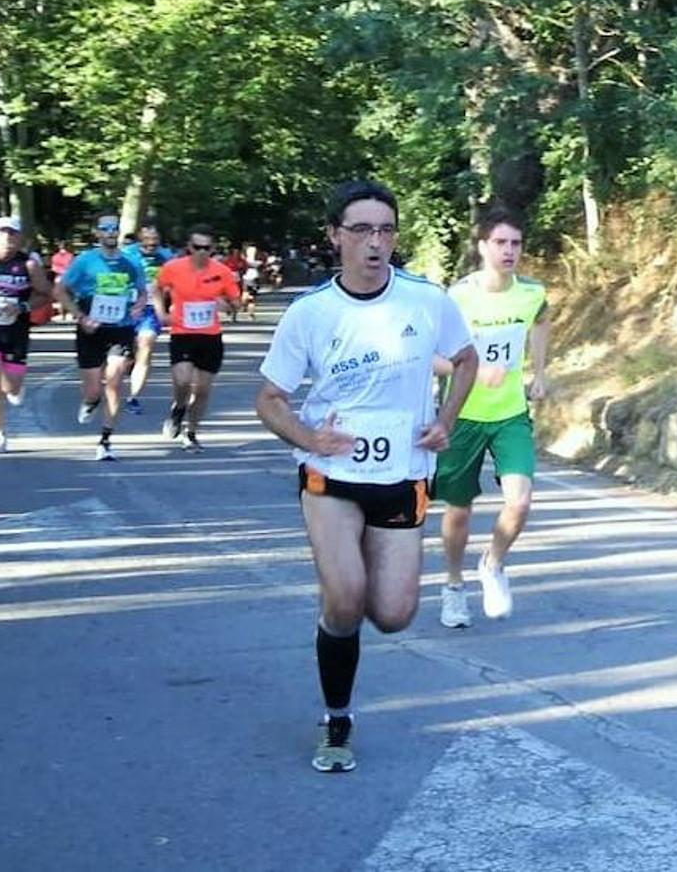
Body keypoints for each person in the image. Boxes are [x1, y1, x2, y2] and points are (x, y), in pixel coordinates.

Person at [255, 181, 478, 773]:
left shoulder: (426, 300)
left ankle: (339, 614)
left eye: (385, 230)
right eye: (361, 231)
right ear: (335, 237)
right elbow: (270, 399)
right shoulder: (310, 313)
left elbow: (466, 358)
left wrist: (445, 421)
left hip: (402, 475)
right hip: (330, 474)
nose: (375, 243)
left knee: (394, 614)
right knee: (348, 599)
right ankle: (337, 717)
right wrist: (309, 439)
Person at [433, 206, 549, 627]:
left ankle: (493, 564)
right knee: (458, 511)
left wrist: (539, 372)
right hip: (462, 414)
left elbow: (540, 321)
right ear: (483, 247)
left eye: (516, 243)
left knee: (519, 502)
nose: (509, 251)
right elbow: (431, 358)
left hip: (510, 415)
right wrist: (474, 370)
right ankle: (452, 587)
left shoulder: (531, 293)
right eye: (500, 243)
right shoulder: (457, 297)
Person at [54, 214, 147, 461]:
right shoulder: (85, 261)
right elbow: (60, 290)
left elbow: (142, 292)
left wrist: (138, 306)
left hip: (121, 327)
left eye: (114, 228)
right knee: (94, 389)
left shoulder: (130, 262)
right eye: (105, 229)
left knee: (114, 381)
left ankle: (106, 439)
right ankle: (90, 401)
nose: (110, 233)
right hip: (91, 328)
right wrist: (80, 316)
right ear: (97, 233)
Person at [153, 224, 241, 451]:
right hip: (182, 333)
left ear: (212, 248)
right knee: (182, 381)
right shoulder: (173, 268)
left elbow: (236, 303)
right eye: (196, 247)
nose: (201, 252)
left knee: (202, 391)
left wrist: (227, 305)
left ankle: (191, 432)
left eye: (206, 248)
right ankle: (178, 409)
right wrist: (161, 313)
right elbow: (157, 289)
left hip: (210, 336)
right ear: (188, 247)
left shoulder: (222, 272)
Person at [0, 217, 51, 454]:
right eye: (2, 233)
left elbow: (45, 294)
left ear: (19, 238)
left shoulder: (29, 265)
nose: (7, 238)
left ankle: (15, 389)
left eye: (12, 233)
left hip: (16, 330)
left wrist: (22, 307)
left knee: (11, 387)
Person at [121, 223, 175, 414]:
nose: (151, 244)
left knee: (146, 344)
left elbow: (175, 283)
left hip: (152, 308)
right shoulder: (126, 254)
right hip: (127, 308)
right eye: (147, 239)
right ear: (139, 239)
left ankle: (133, 397)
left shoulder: (168, 257)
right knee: (124, 352)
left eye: (155, 240)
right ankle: (128, 360)